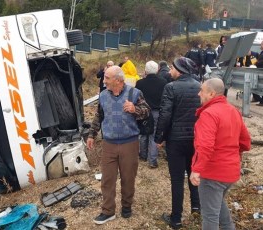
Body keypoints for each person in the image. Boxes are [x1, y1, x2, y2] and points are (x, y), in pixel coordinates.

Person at [86, 65, 150, 225]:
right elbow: (99, 116)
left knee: (128, 178)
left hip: (129, 143)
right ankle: (108, 211)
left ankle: (126, 206)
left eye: (107, 78)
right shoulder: (103, 95)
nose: (104, 80)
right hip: (109, 144)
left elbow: (147, 110)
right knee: (107, 179)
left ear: (118, 80)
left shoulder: (134, 93)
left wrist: (135, 109)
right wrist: (92, 134)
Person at [190, 78, 251, 230]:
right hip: (231, 172)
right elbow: (245, 142)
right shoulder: (233, 111)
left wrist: (197, 169)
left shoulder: (209, 114)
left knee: (210, 217)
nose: (199, 94)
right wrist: (234, 156)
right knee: (218, 204)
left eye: (201, 91)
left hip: (213, 174)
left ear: (211, 94)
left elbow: (205, 145)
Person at [154, 57, 201, 229]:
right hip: (196, 139)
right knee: (194, 174)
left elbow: (165, 115)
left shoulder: (171, 87)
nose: (170, 71)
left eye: (172, 68)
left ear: (179, 70)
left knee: (177, 179)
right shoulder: (199, 86)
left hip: (176, 140)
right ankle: (197, 207)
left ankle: (176, 218)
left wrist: (159, 138)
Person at [136, 60, 167, 168]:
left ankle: (143, 155)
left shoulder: (140, 83)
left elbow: (136, 99)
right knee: (154, 135)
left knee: (143, 133)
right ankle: (152, 161)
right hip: (156, 112)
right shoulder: (163, 82)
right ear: (158, 70)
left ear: (145, 70)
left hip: (143, 111)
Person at [250, 41, 263, 105]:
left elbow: (260, 62)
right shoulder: (261, 52)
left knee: (259, 86)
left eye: (261, 45)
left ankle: (261, 101)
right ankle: (259, 100)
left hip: (260, 71)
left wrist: (255, 63)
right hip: (258, 71)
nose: (260, 46)